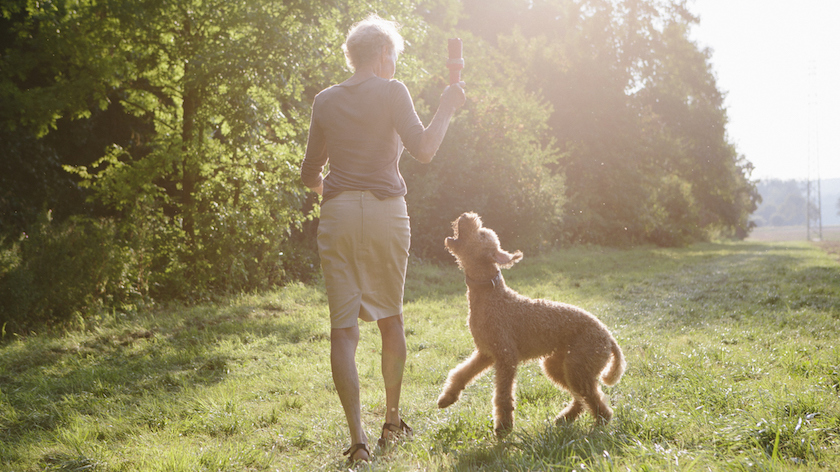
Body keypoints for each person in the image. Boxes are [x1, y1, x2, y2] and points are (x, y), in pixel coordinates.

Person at [300, 13, 466, 463]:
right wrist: (448, 104)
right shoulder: (393, 91)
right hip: (386, 213)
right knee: (390, 318)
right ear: (382, 55)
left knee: (343, 329)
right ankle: (391, 421)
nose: (394, 63)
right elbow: (426, 149)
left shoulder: (325, 100)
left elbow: (308, 173)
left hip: (336, 215)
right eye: (393, 54)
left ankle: (358, 442)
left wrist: (335, 191)